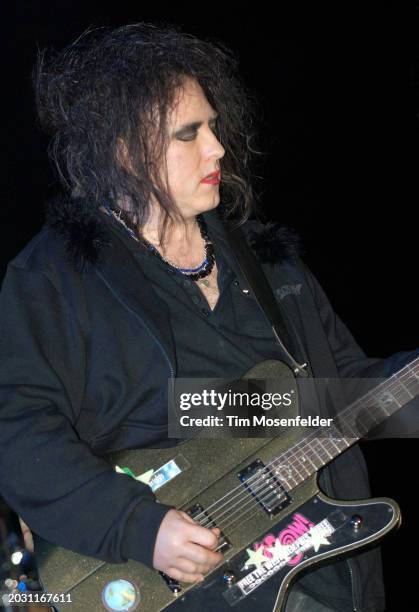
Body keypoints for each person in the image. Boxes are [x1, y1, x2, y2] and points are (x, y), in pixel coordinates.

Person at [0, 22, 418, 612]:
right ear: (122, 149)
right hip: (173, 587)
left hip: (329, 574)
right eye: (188, 134)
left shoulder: (275, 266)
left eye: (214, 127)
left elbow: (348, 394)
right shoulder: (54, 279)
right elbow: (15, 427)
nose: (217, 148)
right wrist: (138, 526)